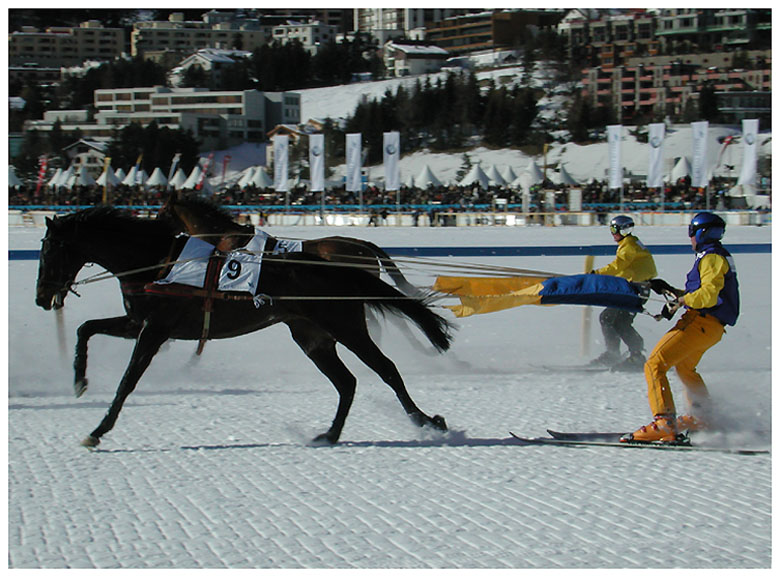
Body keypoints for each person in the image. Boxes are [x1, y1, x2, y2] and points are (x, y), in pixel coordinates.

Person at [622, 212, 739, 443]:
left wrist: (682, 301)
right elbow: (703, 294)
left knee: (655, 364)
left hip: (701, 323)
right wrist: (674, 293)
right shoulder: (712, 256)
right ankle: (703, 417)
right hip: (710, 326)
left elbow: (709, 296)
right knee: (685, 368)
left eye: (691, 232)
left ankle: (664, 422)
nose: (690, 238)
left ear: (700, 233)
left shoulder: (712, 257)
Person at [590, 215, 657, 371]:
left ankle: (634, 355)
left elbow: (618, 266)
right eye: (611, 229)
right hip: (634, 288)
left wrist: (597, 273)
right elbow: (626, 270)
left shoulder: (629, 246)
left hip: (637, 290)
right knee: (612, 319)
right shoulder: (631, 243)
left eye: (615, 229)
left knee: (615, 320)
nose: (613, 233)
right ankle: (618, 353)